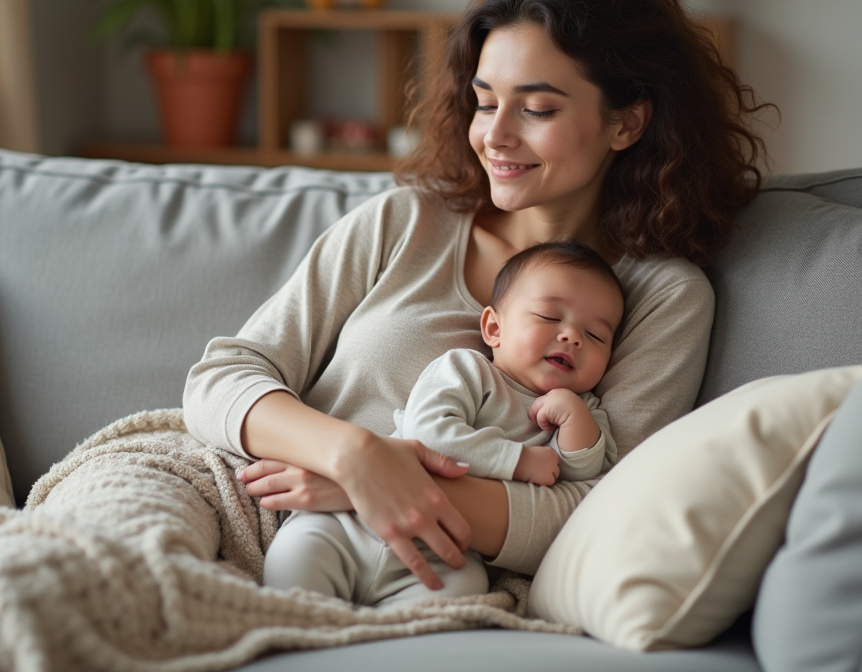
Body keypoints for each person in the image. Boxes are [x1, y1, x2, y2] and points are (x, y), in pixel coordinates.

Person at [182, 0, 770, 595]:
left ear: (625, 122)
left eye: (537, 108)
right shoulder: (405, 220)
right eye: (485, 102)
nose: (495, 134)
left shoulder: (663, 296)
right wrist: (355, 457)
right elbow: (224, 375)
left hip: (435, 569)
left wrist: (389, 489)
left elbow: (598, 505)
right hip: (277, 518)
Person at [261, 241, 624, 605]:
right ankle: (304, 625)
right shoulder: (468, 371)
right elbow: (431, 435)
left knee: (465, 586)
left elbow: (585, 478)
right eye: (549, 317)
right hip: (354, 521)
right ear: (494, 328)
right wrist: (519, 461)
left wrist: (576, 418)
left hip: (447, 550)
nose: (572, 337)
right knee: (298, 552)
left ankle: (380, 640)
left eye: (596, 336)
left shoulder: (585, 409)